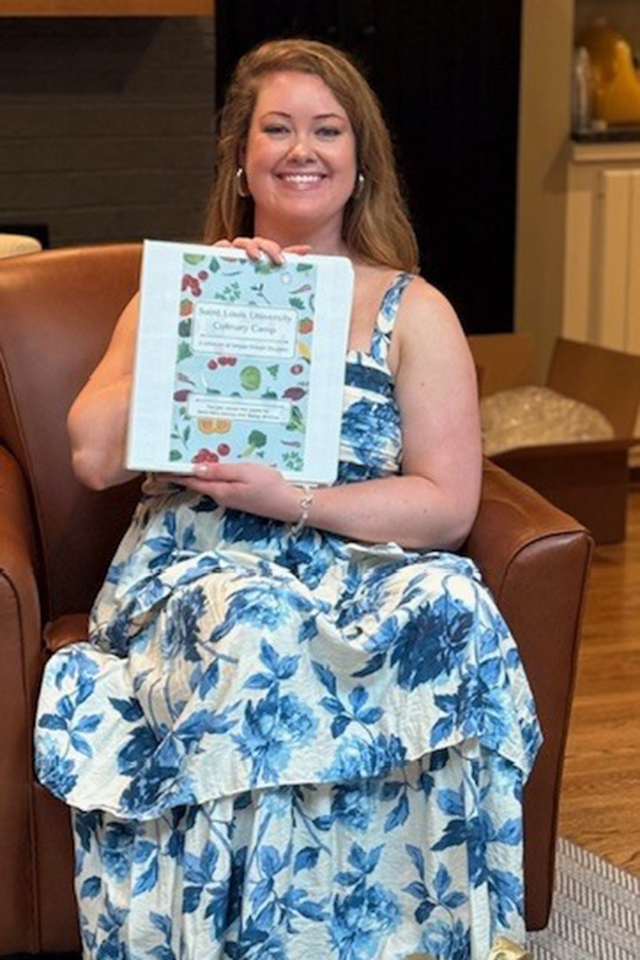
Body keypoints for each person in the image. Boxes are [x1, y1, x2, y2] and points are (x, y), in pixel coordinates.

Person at [35, 38, 540, 960]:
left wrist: (294, 498)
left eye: (327, 130)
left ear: (359, 163)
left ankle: (426, 935)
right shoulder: (180, 293)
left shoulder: (414, 310)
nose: (302, 149)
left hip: (356, 562)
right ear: (241, 158)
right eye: (277, 129)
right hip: (201, 571)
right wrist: (203, 313)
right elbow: (93, 456)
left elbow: (446, 506)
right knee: (256, 615)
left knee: (453, 600)